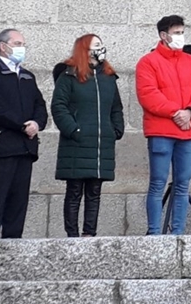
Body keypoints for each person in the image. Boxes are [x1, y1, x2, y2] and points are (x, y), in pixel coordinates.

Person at [135, 15, 191, 235]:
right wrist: (176, 113)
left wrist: (190, 112)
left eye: (181, 31)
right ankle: (155, 233)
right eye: (176, 32)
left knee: (182, 185)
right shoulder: (148, 62)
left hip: (188, 132)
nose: (180, 36)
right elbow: (148, 94)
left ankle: (178, 233)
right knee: (157, 183)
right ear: (163, 35)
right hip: (161, 132)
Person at [0, 28, 48, 239]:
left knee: (18, 204)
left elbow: (39, 104)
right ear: (3, 46)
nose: (21, 48)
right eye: (17, 44)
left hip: (24, 148)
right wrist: (21, 125)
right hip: (1, 148)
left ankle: (13, 244)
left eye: (22, 44)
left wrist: (36, 123)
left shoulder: (27, 76)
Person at [50, 34, 125, 237]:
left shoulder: (108, 76)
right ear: (85, 50)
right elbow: (59, 106)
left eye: (101, 44)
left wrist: (116, 129)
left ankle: (89, 234)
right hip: (77, 142)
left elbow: (116, 107)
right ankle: (72, 235)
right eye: (96, 45)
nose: (101, 49)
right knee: (74, 191)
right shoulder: (69, 76)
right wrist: (73, 130)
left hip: (101, 143)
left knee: (94, 192)